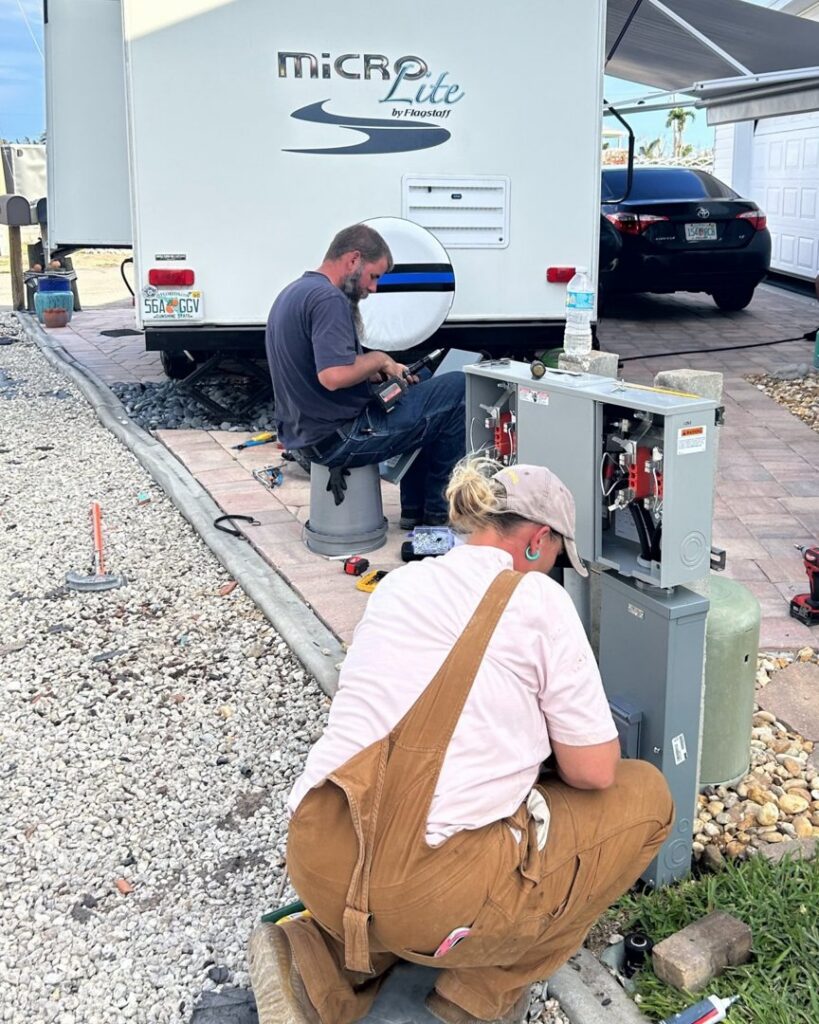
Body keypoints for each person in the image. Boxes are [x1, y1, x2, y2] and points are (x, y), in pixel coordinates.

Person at [248, 457, 674, 1024]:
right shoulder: (538, 599)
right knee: (646, 797)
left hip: (319, 850)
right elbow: (594, 771)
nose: (551, 573)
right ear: (536, 541)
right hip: (428, 888)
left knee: (403, 862)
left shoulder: (399, 586)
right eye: (554, 560)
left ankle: (318, 963)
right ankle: (471, 999)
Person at [265, 223, 466, 526]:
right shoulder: (329, 299)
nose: (373, 288)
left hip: (307, 438)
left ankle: (413, 511)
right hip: (343, 439)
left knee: (422, 386)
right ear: (354, 259)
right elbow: (331, 376)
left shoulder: (294, 292)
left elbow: (315, 366)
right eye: (374, 276)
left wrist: (370, 374)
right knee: (459, 388)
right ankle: (437, 518)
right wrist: (379, 360)